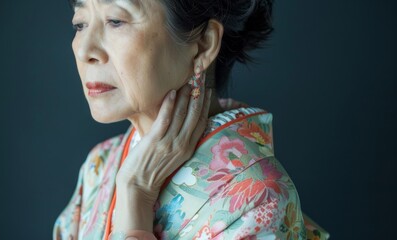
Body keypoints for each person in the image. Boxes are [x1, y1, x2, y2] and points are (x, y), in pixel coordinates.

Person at [53, 0, 328, 239]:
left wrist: (135, 197)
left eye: (115, 20)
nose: (83, 49)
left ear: (203, 44)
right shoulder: (98, 167)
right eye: (80, 24)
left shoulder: (259, 197)